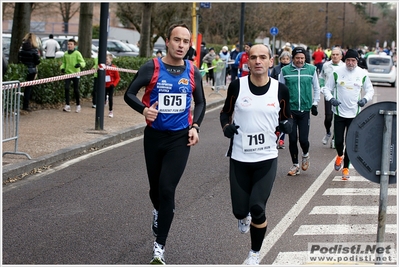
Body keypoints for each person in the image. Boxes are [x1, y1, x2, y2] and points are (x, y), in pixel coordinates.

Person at [124, 23, 206, 265]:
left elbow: (200, 103)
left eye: (185, 41)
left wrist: (195, 127)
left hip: (179, 138)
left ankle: (159, 247)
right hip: (154, 137)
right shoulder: (152, 67)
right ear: (168, 42)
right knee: (155, 190)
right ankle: (159, 210)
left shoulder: (193, 71)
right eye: (177, 40)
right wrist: (144, 110)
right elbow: (129, 93)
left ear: (189, 45)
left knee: (167, 189)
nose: (181, 45)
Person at [220, 44, 292, 265]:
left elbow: (286, 116)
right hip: (240, 158)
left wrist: (286, 125)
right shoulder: (237, 86)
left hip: (266, 158)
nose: (258, 61)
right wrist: (226, 128)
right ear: (248, 62)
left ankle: (254, 254)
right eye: (253, 57)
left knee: (258, 208)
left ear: (272, 61)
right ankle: (243, 217)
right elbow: (225, 113)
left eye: (263, 57)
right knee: (239, 211)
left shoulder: (280, 90)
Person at [323, 49, 374, 180]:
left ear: (357, 61)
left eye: (353, 60)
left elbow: (370, 90)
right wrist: (331, 99)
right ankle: (340, 155)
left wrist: (365, 99)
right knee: (338, 141)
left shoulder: (362, 73)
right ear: (344, 61)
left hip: (355, 114)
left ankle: (346, 168)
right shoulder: (337, 72)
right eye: (348, 60)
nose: (350, 63)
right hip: (339, 113)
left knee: (350, 143)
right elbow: (327, 89)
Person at [279, 46, 320, 176]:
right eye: (297, 58)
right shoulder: (285, 70)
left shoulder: (311, 69)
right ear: (293, 58)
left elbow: (317, 88)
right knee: (292, 139)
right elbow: (280, 90)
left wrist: (315, 103)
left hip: (305, 109)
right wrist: (281, 107)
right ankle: (295, 165)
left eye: (302, 58)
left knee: (303, 139)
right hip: (290, 110)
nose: (300, 60)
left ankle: (306, 154)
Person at [319, 47, 344, 148]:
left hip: (340, 95)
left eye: (337, 54)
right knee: (328, 117)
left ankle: (334, 138)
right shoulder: (326, 65)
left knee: (338, 118)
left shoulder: (344, 66)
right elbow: (321, 77)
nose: (335, 56)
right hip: (329, 94)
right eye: (333, 54)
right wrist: (322, 87)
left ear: (341, 56)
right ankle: (328, 132)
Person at [270, 50, 292, 149]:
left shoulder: (290, 70)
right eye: (283, 59)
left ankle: (282, 139)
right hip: (276, 96)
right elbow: (270, 79)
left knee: (284, 118)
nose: (285, 60)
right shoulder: (276, 69)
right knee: (275, 118)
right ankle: (276, 135)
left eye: (287, 59)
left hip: (286, 97)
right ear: (280, 59)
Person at [60, 39, 86, 113]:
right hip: (68, 73)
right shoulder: (65, 54)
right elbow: (64, 63)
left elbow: (83, 62)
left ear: (74, 45)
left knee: (76, 90)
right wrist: (62, 68)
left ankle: (78, 105)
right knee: (66, 88)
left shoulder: (77, 53)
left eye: (71, 44)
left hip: (76, 74)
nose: (69, 46)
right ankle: (67, 105)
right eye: (68, 44)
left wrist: (79, 65)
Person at [18, 32, 41, 112]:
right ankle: (26, 105)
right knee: (28, 88)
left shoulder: (22, 48)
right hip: (31, 70)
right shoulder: (34, 49)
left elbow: (19, 58)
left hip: (23, 69)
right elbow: (37, 61)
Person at [104, 54, 120, 118]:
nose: (106, 61)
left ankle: (110, 111)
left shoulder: (114, 67)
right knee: (103, 97)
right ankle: (105, 100)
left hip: (111, 85)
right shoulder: (103, 66)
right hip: (104, 85)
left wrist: (114, 84)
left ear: (111, 59)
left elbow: (117, 77)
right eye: (105, 60)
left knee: (110, 98)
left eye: (107, 59)